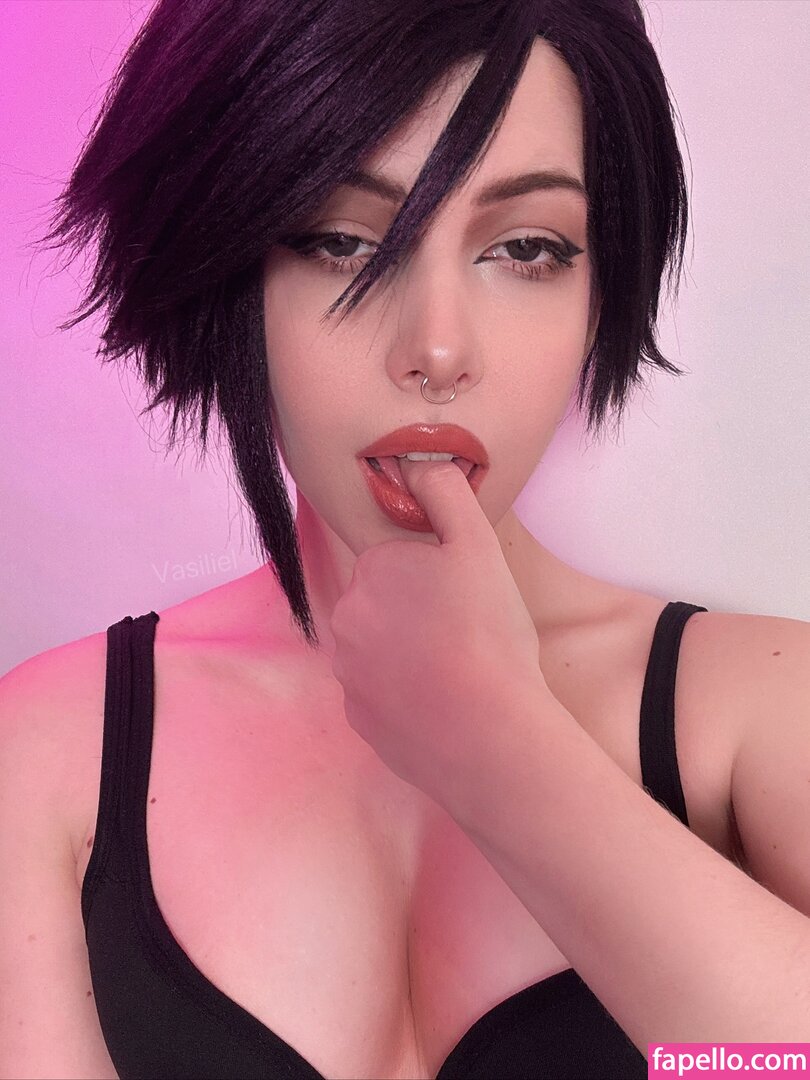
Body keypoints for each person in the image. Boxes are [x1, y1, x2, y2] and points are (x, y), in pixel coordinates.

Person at [2, 1, 810, 1078]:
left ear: (600, 286)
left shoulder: (763, 710)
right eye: (343, 242)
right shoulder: (51, 750)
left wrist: (501, 747)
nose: (436, 348)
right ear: (224, 263)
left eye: (526, 248)